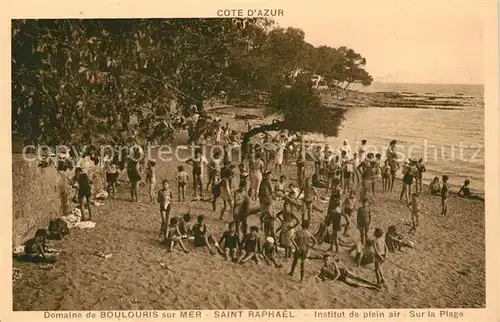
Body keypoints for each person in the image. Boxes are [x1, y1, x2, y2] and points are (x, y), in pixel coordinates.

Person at [276, 195, 300, 259]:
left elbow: (298, 221)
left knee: (289, 241)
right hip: (284, 224)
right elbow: (277, 215)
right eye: (285, 206)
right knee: (285, 241)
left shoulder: (291, 212)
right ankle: (287, 255)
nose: (286, 207)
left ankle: (289, 255)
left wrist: (292, 227)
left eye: (288, 206)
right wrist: (282, 221)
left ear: (289, 206)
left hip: (290, 225)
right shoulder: (283, 211)